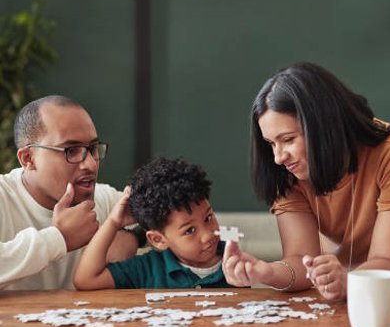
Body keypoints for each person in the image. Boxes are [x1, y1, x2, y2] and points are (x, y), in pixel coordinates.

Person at [223, 62, 390, 314]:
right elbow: (300, 260)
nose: (279, 157)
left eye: (288, 140)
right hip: (340, 307)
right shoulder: (288, 172)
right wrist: (266, 272)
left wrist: (347, 281)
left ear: (322, 125)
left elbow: (388, 262)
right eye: (271, 144)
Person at [0, 95, 140, 290]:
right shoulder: (3, 197)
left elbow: (176, 217)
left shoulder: (106, 200)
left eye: (92, 149)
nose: (91, 163)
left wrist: (135, 237)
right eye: (71, 150)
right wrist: (59, 239)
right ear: (28, 159)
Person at [73, 157, 233, 290]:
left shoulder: (234, 257)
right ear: (158, 239)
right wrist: (113, 222)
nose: (208, 235)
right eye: (190, 230)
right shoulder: (147, 269)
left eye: (208, 218)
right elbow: (85, 279)